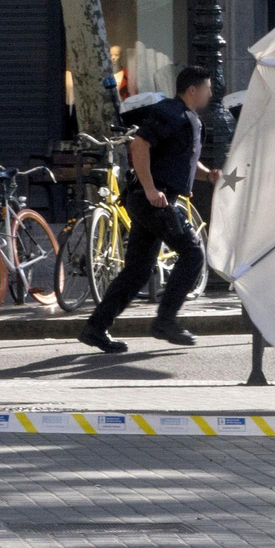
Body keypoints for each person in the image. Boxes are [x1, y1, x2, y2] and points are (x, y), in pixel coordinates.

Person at [78, 66, 219, 353]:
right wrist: (151, 188)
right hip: (155, 201)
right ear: (192, 90)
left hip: (154, 201)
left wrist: (208, 175)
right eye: (207, 88)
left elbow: (185, 160)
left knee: (138, 271)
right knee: (193, 253)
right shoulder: (171, 112)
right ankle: (165, 321)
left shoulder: (189, 118)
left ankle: (95, 327)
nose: (210, 94)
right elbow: (139, 145)